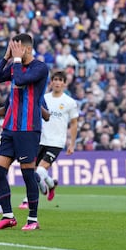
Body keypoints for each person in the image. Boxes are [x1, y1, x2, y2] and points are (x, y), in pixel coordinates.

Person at [0, 33, 49, 231]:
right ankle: (8, 216)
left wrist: (14, 60)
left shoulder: (39, 67)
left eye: (17, 48)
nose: (14, 52)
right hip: (10, 128)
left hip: (28, 129)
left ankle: (32, 219)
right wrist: (6, 57)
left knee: (27, 174)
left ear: (28, 49)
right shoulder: (14, 65)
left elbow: (21, 80)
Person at [17, 70, 79, 210]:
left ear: (64, 83)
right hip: (39, 139)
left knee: (39, 171)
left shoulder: (69, 102)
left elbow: (74, 123)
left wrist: (72, 144)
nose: (57, 82)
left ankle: (27, 200)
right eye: (55, 79)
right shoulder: (43, 98)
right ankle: (50, 184)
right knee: (31, 172)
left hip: (56, 142)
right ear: (51, 82)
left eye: (60, 80)